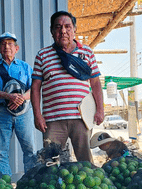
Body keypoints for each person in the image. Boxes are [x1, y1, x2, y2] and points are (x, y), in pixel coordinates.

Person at [30, 11, 104, 163]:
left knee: (85, 163)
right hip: (53, 120)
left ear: (74, 30)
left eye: (67, 27)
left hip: (82, 118)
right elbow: (35, 87)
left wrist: (100, 109)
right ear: (52, 32)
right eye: (58, 27)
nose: (63, 31)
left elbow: (95, 83)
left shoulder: (87, 52)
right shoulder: (43, 55)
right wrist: (37, 115)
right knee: (50, 163)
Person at [0, 32, 35, 176]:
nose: (7, 47)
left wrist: (21, 98)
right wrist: (8, 96)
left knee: (29, 149)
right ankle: (5, 185)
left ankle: (30, 181)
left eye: (10, 44)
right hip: (2, 112)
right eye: (3, 44)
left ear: (16, 48)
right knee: (0, 151)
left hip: (24, 114)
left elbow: (35, 88)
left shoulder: (25, 67)